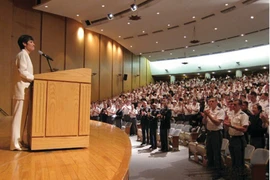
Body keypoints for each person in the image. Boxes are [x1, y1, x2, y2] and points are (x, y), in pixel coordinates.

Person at [10, 35, 35, 151]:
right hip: (21, 90)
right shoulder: (22, 55)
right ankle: (14, 143)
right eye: (31, 42)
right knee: (18, 117)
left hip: (25, 90)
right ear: (24, 44)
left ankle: (20, 140)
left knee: (23, 117)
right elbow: (22, 72)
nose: (33, 44)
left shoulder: (26, 56)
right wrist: (35, 78)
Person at [224, 99, 249, 179]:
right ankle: (234, 176)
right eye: (232, 104)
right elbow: (227, 128)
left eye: (235, 105)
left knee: (239, 160)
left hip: (239, 139)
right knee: (233, 159)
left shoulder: (243, 115)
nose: (233, 106)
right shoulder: (231, 114)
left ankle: (239, 177)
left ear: (240, 106)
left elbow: (244, 129)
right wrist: (226, 125)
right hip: (231, 138)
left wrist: (231, 125)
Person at [201, 97, 225, 179]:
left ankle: (218, 172)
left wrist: (209, 115)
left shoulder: (220, 111)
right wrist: (205, 116)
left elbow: (217, 123)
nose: (210, 103)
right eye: (209, 101)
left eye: (212, 101)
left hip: (216, 133)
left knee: (216, 152)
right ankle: (211, 169)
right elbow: (204, 122)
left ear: (216, 102)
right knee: (209, 151)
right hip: (210, 133)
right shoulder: (208, 110)